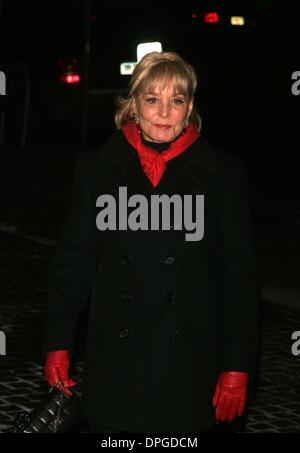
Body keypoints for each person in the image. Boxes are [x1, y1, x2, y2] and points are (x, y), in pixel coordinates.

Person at [43, 51, 259, 433]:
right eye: (152, 99)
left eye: (176, 101)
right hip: (116, 358)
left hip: (190, 359)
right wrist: (58, 340)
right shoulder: (95, 169)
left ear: (189, 107)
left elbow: (238, 279)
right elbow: (73, 263)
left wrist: (236, 364)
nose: (163, 112)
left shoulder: (223, 174)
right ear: (134, 105)